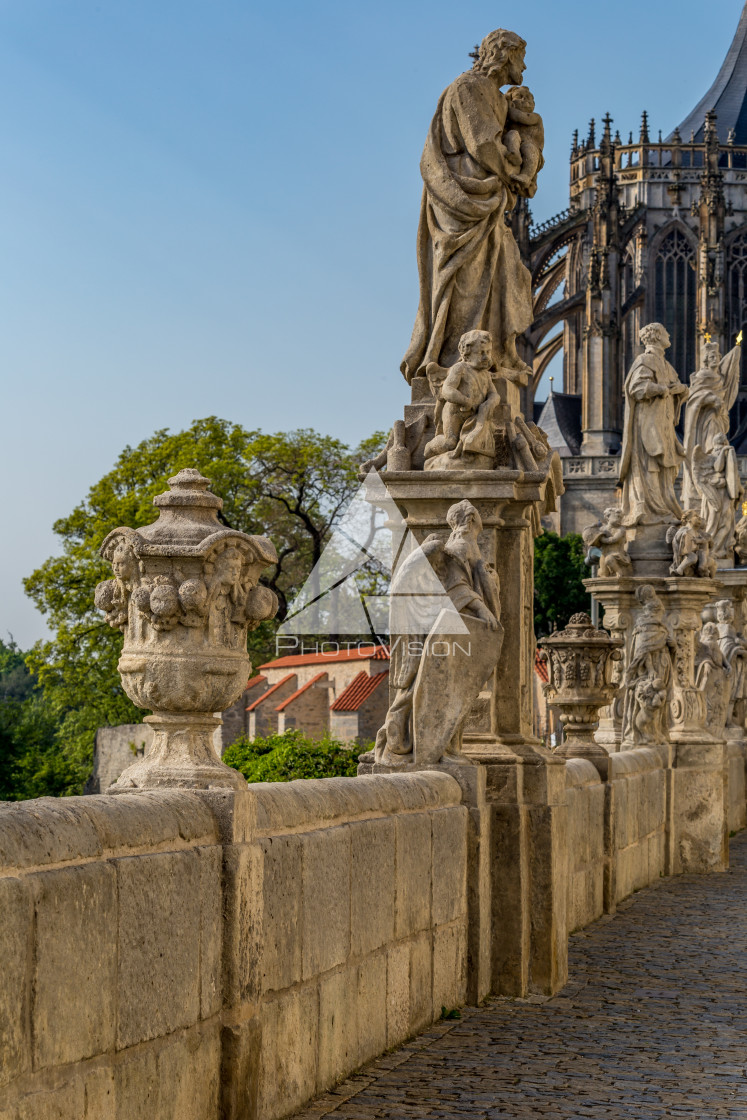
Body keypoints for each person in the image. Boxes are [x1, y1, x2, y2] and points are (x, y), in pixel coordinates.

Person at [401, 29, 539, 384]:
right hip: (466, 198)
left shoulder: (495, 95)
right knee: (467, 281)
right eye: (521, 55)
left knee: (505, 276)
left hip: (487, 199)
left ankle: (493, 356)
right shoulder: (470, 87)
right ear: (504, 55)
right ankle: (452, 361)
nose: (524, 64)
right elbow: (482, 144)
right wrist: (517, 174)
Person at [619, 323, 689, 526]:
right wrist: (659, 389)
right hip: (648, 423)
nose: (669, 335)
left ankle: (663, 507)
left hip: (663, 423)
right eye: (666, 333)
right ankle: (652, 509)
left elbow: (676, 386)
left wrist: (682, 390)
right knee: (649, 463)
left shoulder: (665, 364)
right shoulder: (645, 360)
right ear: (657, 336)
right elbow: (637, 388)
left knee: (665, 467)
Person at [424, 329, 500, 464]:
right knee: (450, 443)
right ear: (467, 354)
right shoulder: (460, 368)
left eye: (488, 352)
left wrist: (491, 402)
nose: (486, 357)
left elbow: (493, 393)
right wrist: (464, 400)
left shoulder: (486, 374)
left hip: (474, 415)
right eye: (480, 353)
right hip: (455, 413)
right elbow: (447, 390)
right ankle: (429, 448)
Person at [682, 339, 741, 509]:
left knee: (718, 443)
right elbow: (693, 398)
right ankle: (708, 475)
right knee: (709, 446)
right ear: (706, 359)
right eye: (712, 356)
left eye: (717, 356)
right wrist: (710, 398)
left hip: (718, 417)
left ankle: (714, 472)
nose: (716, 358)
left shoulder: (719, 377)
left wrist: (735, 354)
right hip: (705, 420)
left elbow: (728, 386)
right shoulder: (702, 376)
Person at [504, 85, 544, 195]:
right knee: (511, 135)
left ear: (534, 104)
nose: (523, 100)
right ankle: (514, 154)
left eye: (527, 98)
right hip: (518, 145)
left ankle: (526, 176)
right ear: (513, 102)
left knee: (528, 149)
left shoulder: (535, 117)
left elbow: (518, 117)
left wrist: (508, 105)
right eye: (519, 97)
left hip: (532, 149)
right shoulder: (509, 119)